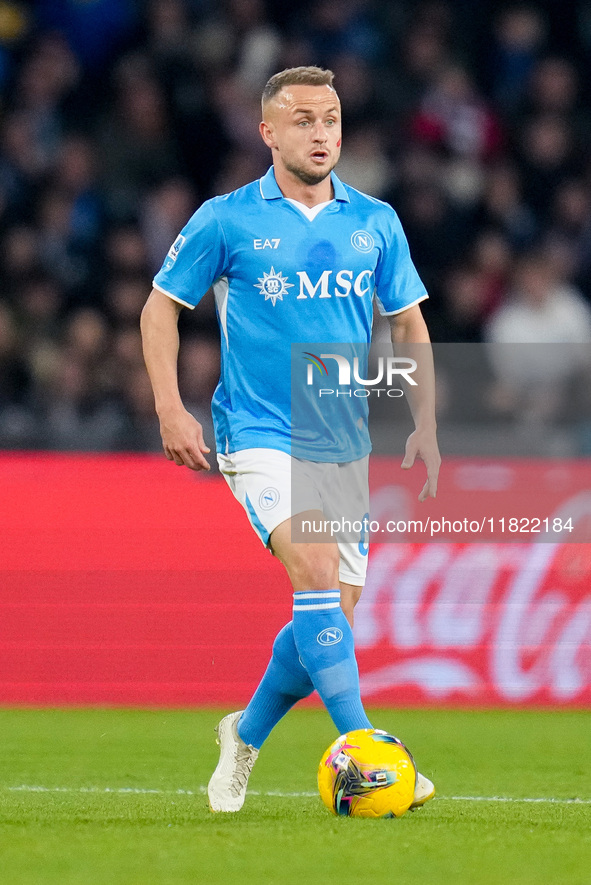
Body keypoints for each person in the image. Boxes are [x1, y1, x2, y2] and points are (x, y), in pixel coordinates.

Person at [140, 66, 441, 813]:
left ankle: (243, 733)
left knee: (326, 619)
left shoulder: (375, 220)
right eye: (302, 120)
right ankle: (368, 747)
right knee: (308, 564)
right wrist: (171, 409)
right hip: (259, 429)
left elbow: (407, 321)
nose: (320, 133)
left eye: (331, 118)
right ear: (268, 132)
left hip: (340, 440)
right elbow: (158, 308)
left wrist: (427, 420)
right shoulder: (227, 218)